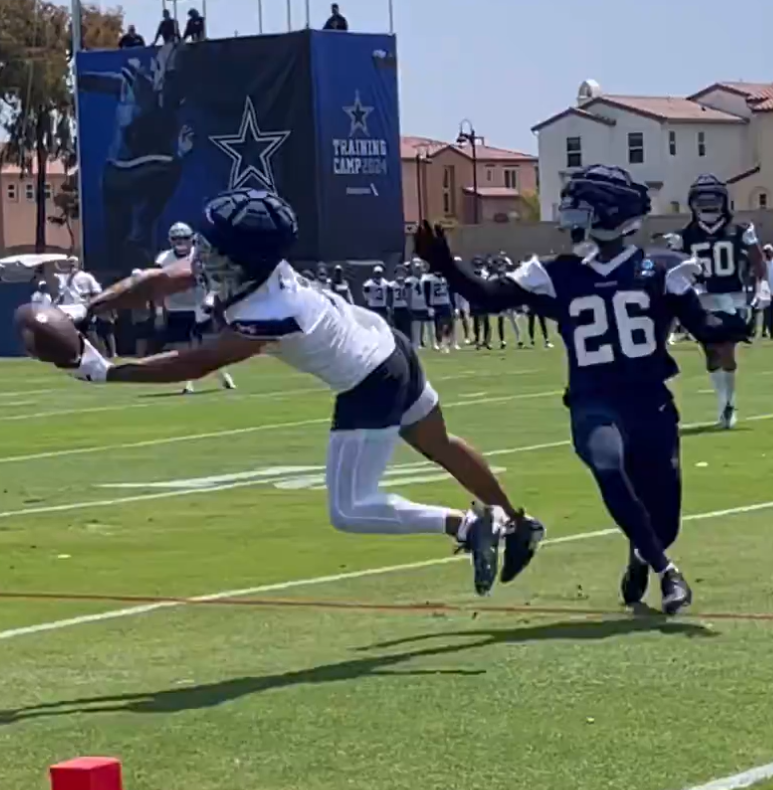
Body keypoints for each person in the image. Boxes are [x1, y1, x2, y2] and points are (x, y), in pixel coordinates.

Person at [66, 187, 540, 597]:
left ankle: (469, 524)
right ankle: (518, 524)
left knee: (349, 509)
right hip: (384, 344)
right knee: (441, 445)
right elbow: (157, 280)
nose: (202, 253)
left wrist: (109, 372)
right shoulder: (249, 269)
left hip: (369, 378)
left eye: (214, 245)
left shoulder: (274, 309)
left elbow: (197, 361)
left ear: (244, 257)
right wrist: (89, 308)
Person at [420, 166, 749, 612]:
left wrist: (738, 321)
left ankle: (642, 554)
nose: (571, 215)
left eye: (582, 206)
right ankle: (667, 572)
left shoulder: (660, 267)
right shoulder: (558, 272)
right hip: (594, 401)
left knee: (665, 517)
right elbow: (488, 297)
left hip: (650, 403)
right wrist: (447, 268)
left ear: (608, 213)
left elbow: (704, 326)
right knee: (609, 467)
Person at [676, 174, 759, 427]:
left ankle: (728, 404)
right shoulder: (685, 236)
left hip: (731, 296)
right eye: (702, 200)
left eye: (713, 200)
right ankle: (722, 401)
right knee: (710, 354)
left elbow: (757, 260)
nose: (708, 205)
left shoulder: (740, 230)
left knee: (726, 349)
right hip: (701, 298)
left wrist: (760, 288)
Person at [157, 221, 235, 394]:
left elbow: (215, 279)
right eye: (176, 239)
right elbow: (158, 284)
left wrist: (211, 298)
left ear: (191, 239)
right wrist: (159, 309)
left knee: (206, 346)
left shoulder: (200, 256)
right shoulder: (163, 259)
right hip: (176, 306)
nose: (180, 242)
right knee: (184, 348)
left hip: (200, 305)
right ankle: (188, 382)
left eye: (184, 238)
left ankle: (221, 373)